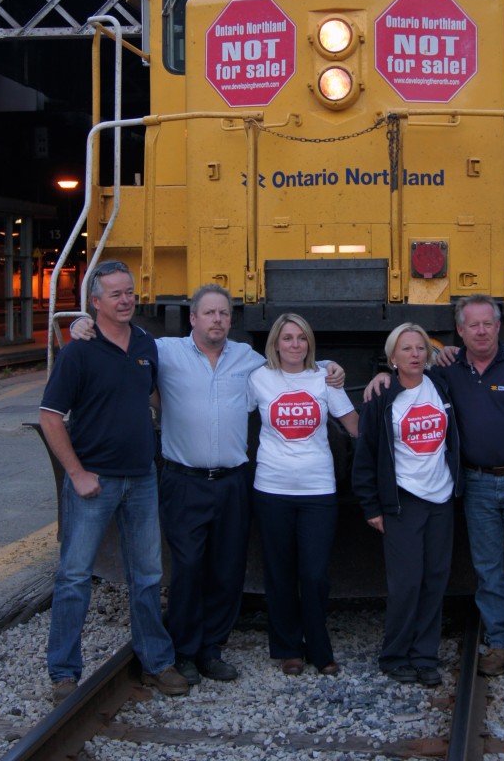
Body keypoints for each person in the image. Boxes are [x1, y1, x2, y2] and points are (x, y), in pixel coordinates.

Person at [71, 285, 345, 686]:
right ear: (193, 319)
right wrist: (83, 323)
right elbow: (119, 339)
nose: (217, 320)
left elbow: (293, 363)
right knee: (187, 569)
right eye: (209, 313)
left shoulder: (247, 359)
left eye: (223, 314)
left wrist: (331, 365)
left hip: (233, 482)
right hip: (184, 481)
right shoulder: (164, 350)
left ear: (230, 322)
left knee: (227, 570)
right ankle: (183, 650)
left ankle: (211, 648)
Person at [365, 295, 504, 692]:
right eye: (472, 325)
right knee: (489, 566)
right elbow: (409, 374)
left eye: (487, 324)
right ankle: (497, 643)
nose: (481, 331)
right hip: (475, 483)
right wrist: (382, 375)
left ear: (498, 326)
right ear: (459, 331)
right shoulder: (449, 371)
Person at [40, 261, 188, 704]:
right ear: (96, 303)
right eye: (116, 294)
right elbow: (50, 417)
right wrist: (78, 473)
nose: (126, 300)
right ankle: (64, 673)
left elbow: (154, 392)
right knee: (73, 578)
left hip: (142, 478)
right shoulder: (78, 351)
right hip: (95, 483)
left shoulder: (146, 343)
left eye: (130, 293)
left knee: (147, 576)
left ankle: (158, 663)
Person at [247, 313, 358, 676]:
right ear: (275, 343)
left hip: (318, 492)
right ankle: (287, 649)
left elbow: (353, 425)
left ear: (309, 344)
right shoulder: (258, 379)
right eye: (288, 338)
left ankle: (319, 647)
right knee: (279, 573)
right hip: (272, 489)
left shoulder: (323, 379)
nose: (295, 344)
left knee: (314, 575)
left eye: (301, 338)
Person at [352, 323, 461, 686]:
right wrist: (372, 506)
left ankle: (425, 656)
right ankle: (395, 655)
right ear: (392, 358)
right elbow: (365, 455)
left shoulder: (442, 385)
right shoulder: (381, 396)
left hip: (441, 499)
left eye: (420, 348)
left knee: (434, 580)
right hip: (403, 501)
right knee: (406, 583)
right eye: (406, 349)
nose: (415, 354)